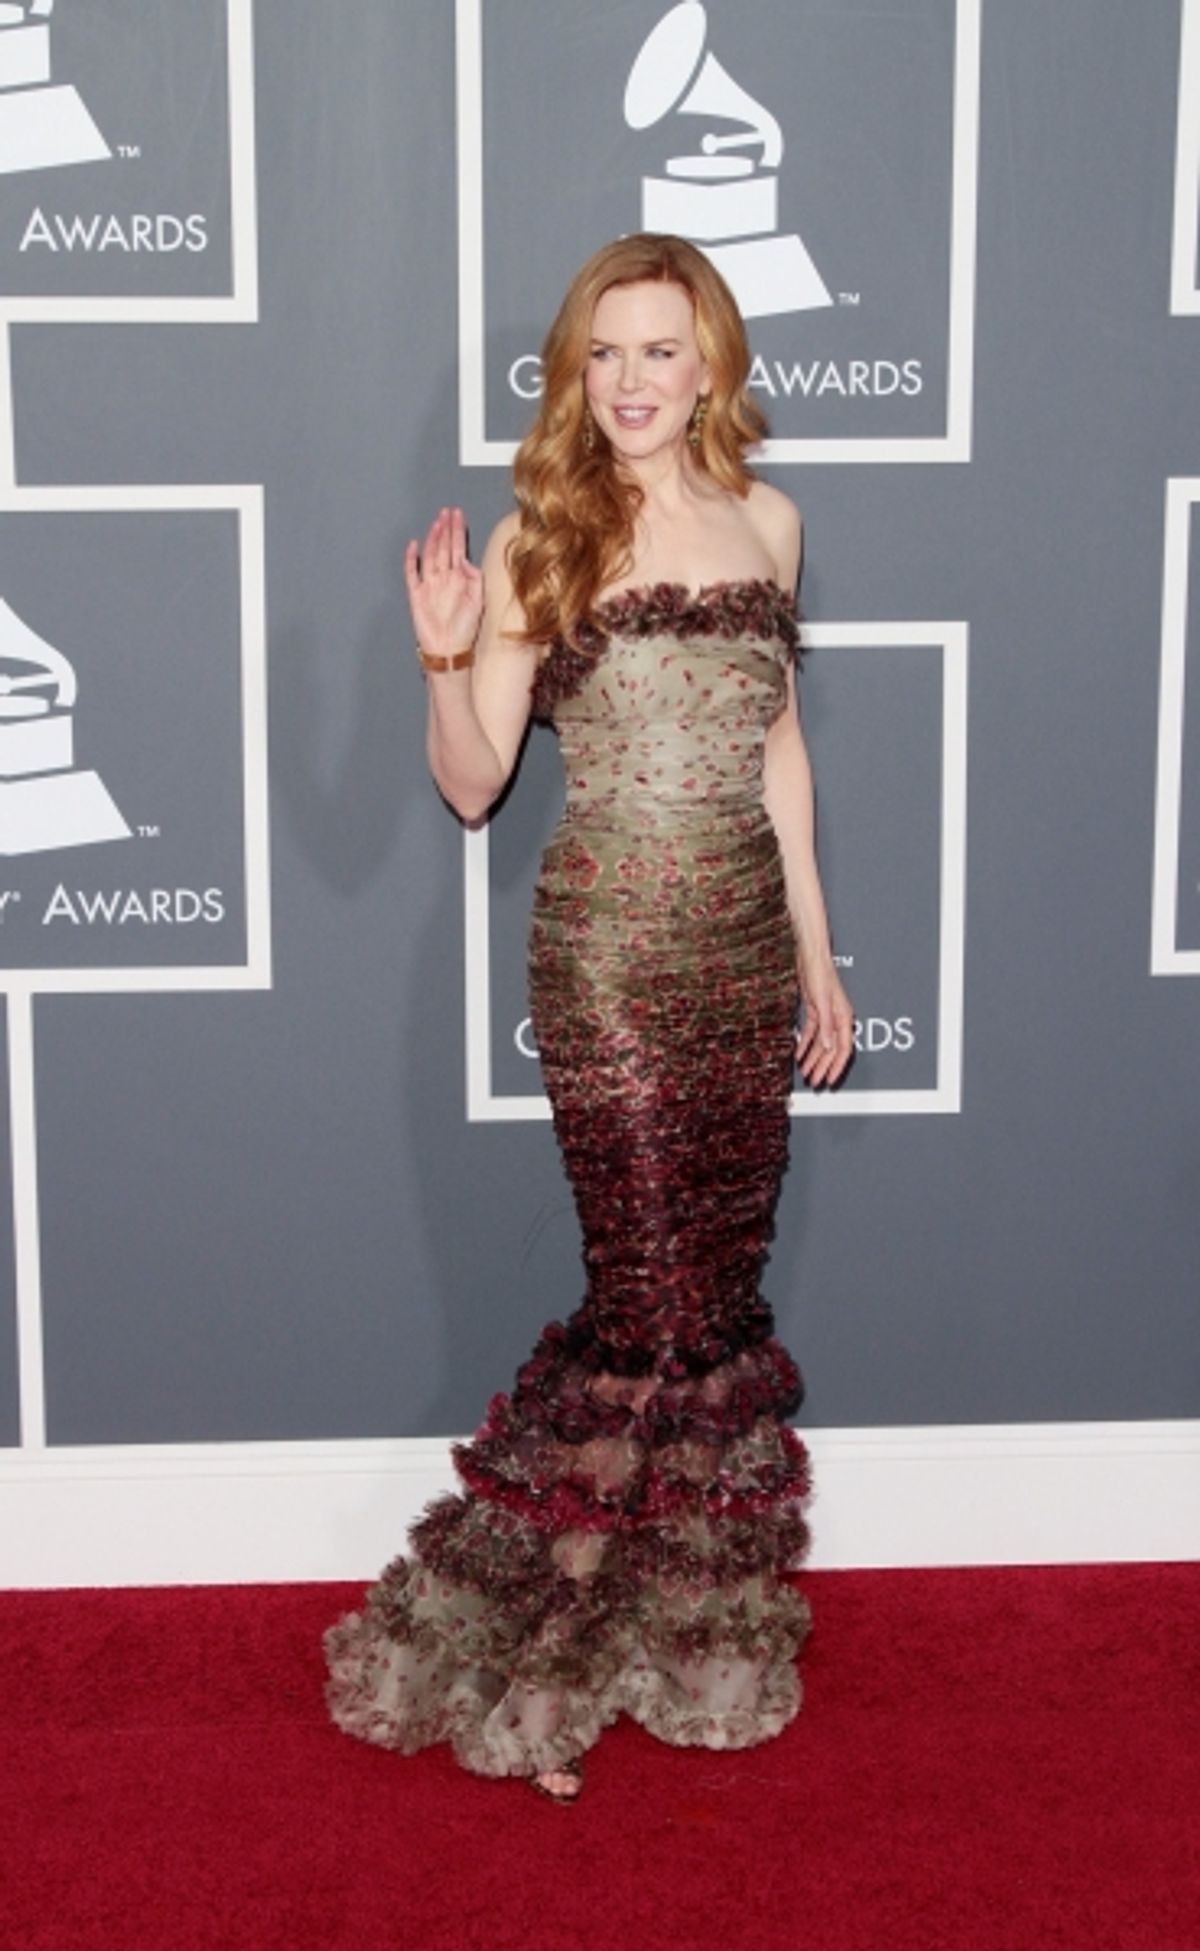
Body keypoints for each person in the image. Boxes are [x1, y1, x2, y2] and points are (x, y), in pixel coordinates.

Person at [323, 233, 854, 1804]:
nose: (630, 381)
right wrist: (442, 650)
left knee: (716, 1303)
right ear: (575, 373)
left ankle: (688, 1627)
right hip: (610, 955)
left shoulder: (772, 522)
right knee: (646, 1302)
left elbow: (779, 752)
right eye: (603, 353)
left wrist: (818, 955)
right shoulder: (539, 537)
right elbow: (472, 784)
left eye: (659, 350)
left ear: (711, 367)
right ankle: (558, 1624)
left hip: (742, 954)